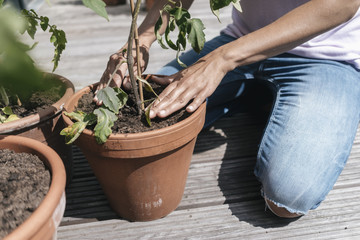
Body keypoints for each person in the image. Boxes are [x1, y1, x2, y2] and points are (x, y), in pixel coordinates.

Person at [98, 0, 360, 218]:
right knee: (141, 114)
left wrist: (223, 59)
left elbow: (342, 3)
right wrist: (142, 39)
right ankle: (254, 95)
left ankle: (265, 98)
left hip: (326, 58)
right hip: (242, 38)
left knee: (287, 198)